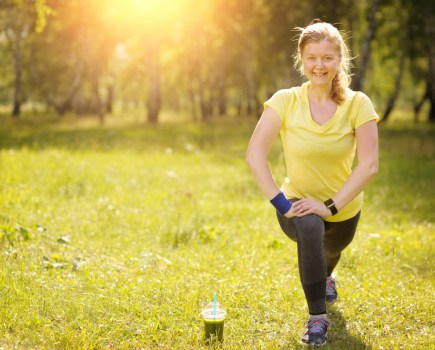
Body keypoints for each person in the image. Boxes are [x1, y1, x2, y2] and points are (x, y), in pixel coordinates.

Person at [246, 21, 379, 347]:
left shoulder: (357, 104)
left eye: (328, 58)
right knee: (310, 228)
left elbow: (370, 164)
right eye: (312, 58)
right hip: (298, 203)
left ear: (339, 60)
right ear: (302, 60)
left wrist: (330, 205)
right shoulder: (286, 100)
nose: (319, 65)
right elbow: (254, 155)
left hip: (344, 209)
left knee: (329, 251)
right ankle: (317, 317)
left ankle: (327, 275)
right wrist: (281, 202)